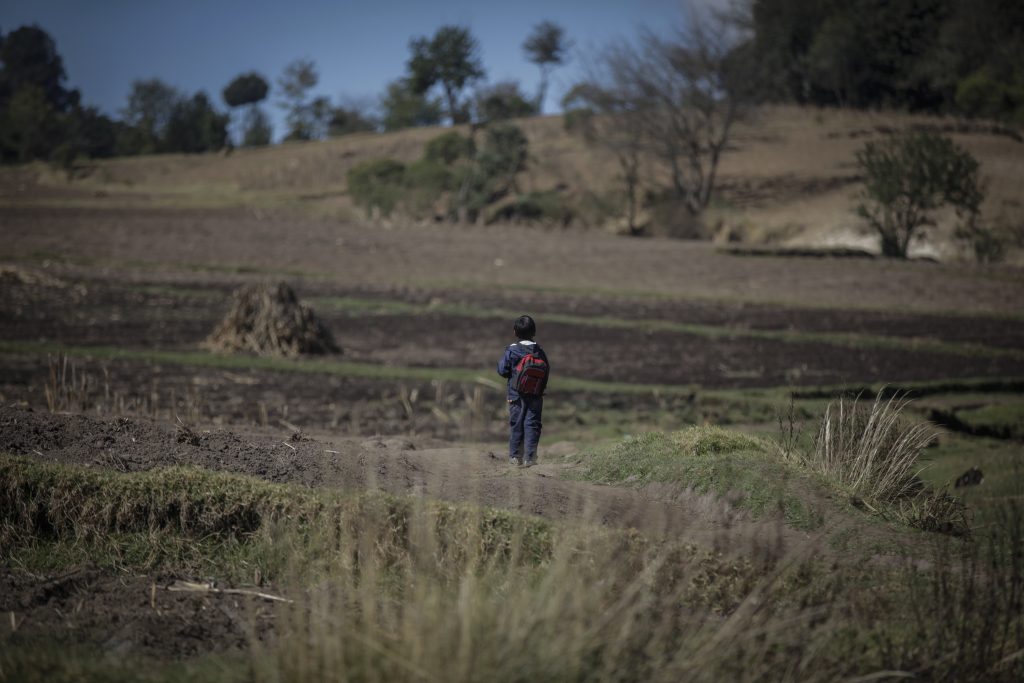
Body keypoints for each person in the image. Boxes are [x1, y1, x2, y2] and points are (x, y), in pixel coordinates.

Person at [497, 315, 550, 467]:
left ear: (515, 332)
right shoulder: (539, 351)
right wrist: (541, 389)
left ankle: (515, 457)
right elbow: (546, 370)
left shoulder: (512, 350)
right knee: (532, 424)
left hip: (515, 394)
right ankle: (530, 458)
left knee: (517, 424)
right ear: (534, 332)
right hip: (536, 394)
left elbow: (502, 370)